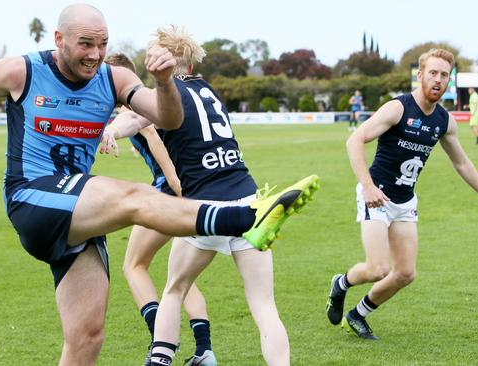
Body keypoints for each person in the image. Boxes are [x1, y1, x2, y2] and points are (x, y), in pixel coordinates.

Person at [0, 5, 314, 364]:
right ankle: (245, 217)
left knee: (88, 339)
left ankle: (243, 217)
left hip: (79, 216)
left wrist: (165, 83)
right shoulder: (22, 70)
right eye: (85, 44)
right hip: (32, 196)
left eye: (103, 44)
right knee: (134, 195)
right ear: (59, 38)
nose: (96, 54)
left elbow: (167, 119)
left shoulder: (112, 78)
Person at [101, 26, 319, 366]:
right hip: (248, 197)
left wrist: (112, 130)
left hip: (204, 207)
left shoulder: (166, 96)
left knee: (174, 289)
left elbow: (134, 118)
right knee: (264, 306)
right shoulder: (208, 89)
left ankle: (160, 359)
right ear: (190, 64)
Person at [326, 49, 478, 340]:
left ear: (449, 80)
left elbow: (461, 163)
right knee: (378, 268)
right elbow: (355, 139)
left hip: (405, 201)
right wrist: (368, 186)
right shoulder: (398, 108)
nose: (438, 79)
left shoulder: (444, 121)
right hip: (377, 195)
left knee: (406, 274)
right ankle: (341, 283)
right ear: (420, 75)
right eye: (432, 73)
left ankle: (357, 314)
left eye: (444, 75)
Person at [104, 53, 215, 366]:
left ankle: (160, 344)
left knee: (134, 265)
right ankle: (205, 351)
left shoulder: (136, 107)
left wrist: (176, 187)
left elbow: (152, 135)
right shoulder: (146, 101)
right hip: (184, 192)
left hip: (170, 194)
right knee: (180, 278)